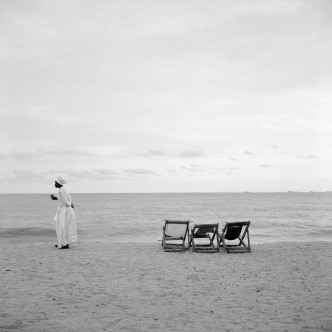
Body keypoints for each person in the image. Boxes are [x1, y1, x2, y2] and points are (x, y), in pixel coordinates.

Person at [50, 176, 78, 249]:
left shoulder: (60, 191)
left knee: (61, 226)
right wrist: (55, 198)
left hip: (63, 211)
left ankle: (64, 244)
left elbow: (65, 201)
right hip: (67, 210)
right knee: (65, 226)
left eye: (55, 183)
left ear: (59, 183)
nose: (54, 184)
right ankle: (63, 243)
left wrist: (70, 204)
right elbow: (67, 199)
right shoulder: (64, 190)